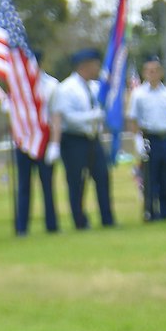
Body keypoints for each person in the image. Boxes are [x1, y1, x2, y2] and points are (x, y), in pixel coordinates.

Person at [48, 47, 115, 228]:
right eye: (95, 65)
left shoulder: (95, 87)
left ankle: (107, 218)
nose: (97, 68)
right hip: (74, 140)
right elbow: (68, 117)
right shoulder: (66, 88)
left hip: (93, 138)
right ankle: (80, 221)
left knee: (102, 177)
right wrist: (94, 116)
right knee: (76, 182)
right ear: (84, 66)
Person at [128, 56, 166, 221]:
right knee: (150, 177)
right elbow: (134, 119)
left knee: (165, 176)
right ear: (145, 73)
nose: (153, 74)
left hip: (165, 137)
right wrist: (137, 141)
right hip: (148, 138)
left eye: (156, 70)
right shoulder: (138, 94)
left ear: (161, 72)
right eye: (150, 71)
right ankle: (150, 211)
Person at [12, 53, 60, 235]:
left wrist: (55, 143)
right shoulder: (18, 84)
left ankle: (52, 225)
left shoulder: (51, 85)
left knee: (47, 184)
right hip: (24, 138)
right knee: (24, 184)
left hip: (44, 138)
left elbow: (56, 116)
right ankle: (22, 227)